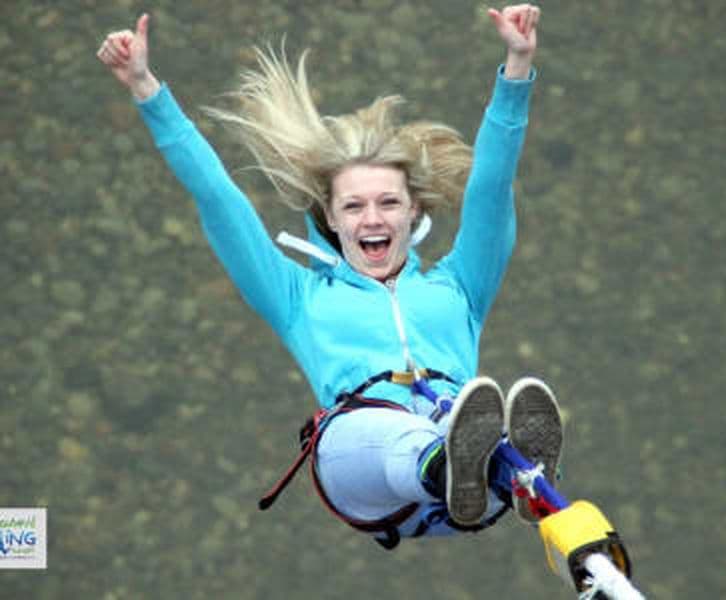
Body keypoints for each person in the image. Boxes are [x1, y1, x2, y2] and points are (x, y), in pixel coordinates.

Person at [97, 4, 563, 548]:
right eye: (355, 206)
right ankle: (461, 465)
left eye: (389, 202)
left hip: (452, 462)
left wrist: (517, 65)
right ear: (332, 218)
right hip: (359, 465)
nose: (372, 218)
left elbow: (490, 187)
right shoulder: (299, 298)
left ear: (414, 212)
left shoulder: (459, 285)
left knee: (457, 423)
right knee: (391, 434)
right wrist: (146, 88)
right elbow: (218, 197)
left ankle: (500, 469)